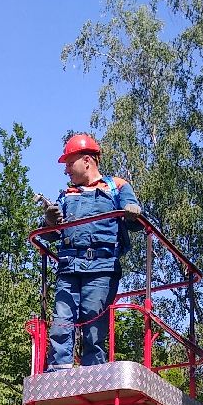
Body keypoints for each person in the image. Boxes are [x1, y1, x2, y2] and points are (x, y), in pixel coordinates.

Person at [41, 133, 142, 371]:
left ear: (87, 160)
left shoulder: (116, 187)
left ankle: (93, 372)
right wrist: (49, 222)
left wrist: (132, 211)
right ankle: (58, 371)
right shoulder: (67, 196)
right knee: (61, 321)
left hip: (102, 267)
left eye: (69, 163)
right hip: (69, 267)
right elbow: (50, 235)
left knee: (93, 320)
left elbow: (136, 221)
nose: (66, 170)